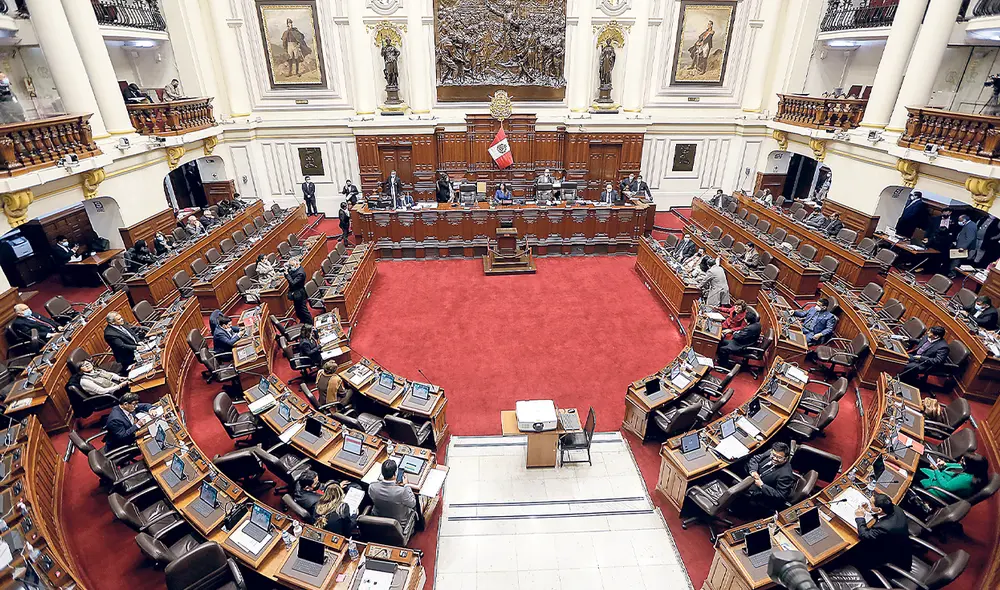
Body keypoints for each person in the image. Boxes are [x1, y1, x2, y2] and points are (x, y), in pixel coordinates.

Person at [733, 442, 795, 518]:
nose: (775, 458)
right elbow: (755, 459)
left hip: (761, 491)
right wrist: (753, 471)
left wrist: (762, 485)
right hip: (754, 475)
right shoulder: (771, 452)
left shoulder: (786, 475)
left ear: (786, 458)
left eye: (779, 457)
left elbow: (780, 495)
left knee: (736, 486)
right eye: (774, 455)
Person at [853, 493, 912, 570]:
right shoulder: (896, 508)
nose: (869, 504)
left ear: (880, 509)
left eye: (871, 503)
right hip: (901, 546)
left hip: (892, 558)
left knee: (854, 552)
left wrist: (860, 517)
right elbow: (883, 515)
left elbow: (864, 535)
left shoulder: (884, 528)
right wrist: (871, 510)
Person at [368, 459, 420, 531]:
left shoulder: (372, 487)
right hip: (398, 524)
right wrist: (406, 485)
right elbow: (413, 503)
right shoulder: (402, 491)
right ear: (395, 474)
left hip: (379, 520)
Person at [918, 453, 989, 500]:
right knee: (919, 468)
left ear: (971, 466)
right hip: (940, 478)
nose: (961, 462)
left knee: (915, 477)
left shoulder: (966, 479)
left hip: (939, 490)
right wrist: (945, 464)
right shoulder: (974, 471)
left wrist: (936, 470)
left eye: (963, 461)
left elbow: (946, 486)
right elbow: (958, 466)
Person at [926, 207, 956, 273]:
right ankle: (929, 269)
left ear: (950, 212)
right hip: (934, 240)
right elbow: (929, 229)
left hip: (945, 242)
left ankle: (938, 271)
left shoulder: (954, 221)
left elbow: (955, 232)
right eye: (944, 211)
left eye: (947, 211)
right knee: (932, 256)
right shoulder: (936, 219)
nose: (945, 213)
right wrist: (926, 237)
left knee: (942, 257)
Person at [285, 258, 312, 326]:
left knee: (303, 309)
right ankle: (303, 321)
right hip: (295, 293)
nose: (291, 267)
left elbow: (293, 283)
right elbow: (291, 274)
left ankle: (310, 323)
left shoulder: (300, 273)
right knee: (298, 310)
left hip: (300, 293)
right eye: (290, 265)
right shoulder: (295, 269)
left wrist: (287, 275)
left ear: (297, 264)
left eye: (292, 265)